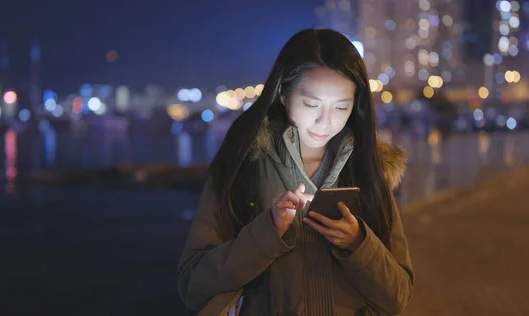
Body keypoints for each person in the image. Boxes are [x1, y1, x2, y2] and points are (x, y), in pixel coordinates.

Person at [177, 28, 414, 316]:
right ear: (282, 92)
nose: (324, 122)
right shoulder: (242, 166)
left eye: (341, 107)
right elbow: (193, 284)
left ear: (356, 106)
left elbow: (398, 298)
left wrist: (358, 245)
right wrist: (266, 234)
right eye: (311, 104)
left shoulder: (369, 172)